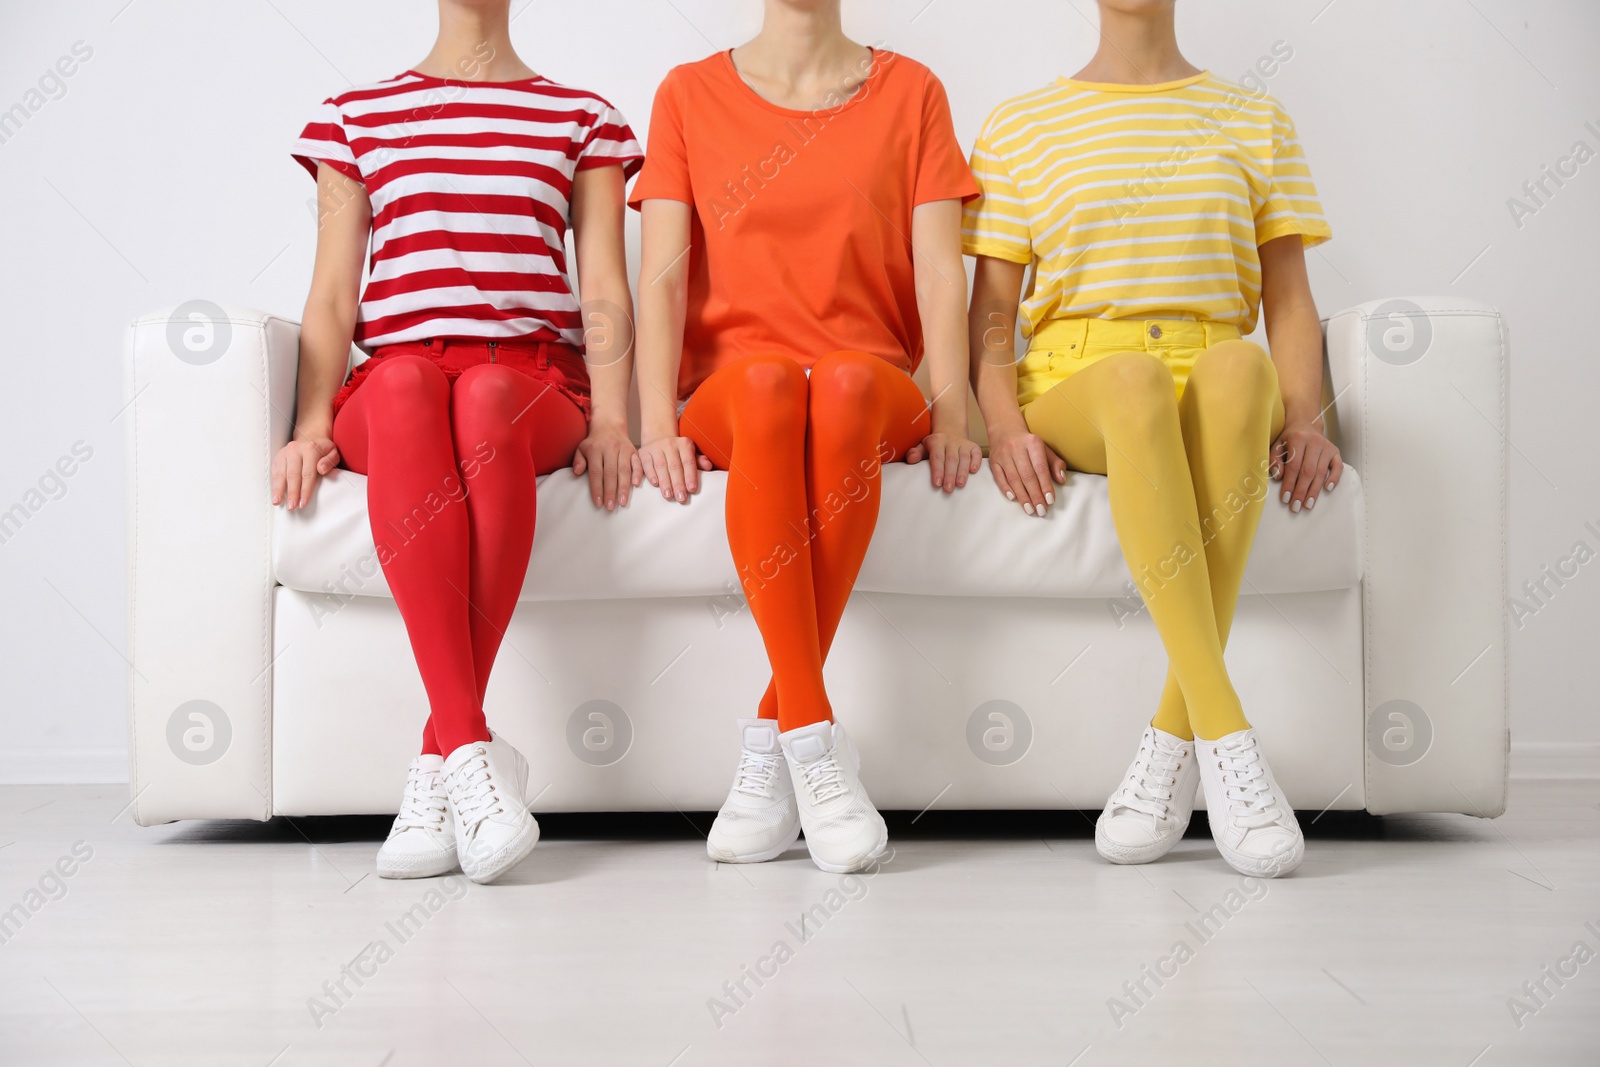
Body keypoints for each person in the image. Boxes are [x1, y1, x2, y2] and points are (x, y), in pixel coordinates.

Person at [964, 0, 1338, 877]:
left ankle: (1170, 746)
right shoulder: (1020, 125)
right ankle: (1231, 738)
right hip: (1080, 383)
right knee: (1132, 378)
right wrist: (1004, 422)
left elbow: (1286, 301)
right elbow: (990, 317)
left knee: (1245, 369)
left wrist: (1310, 417)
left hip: (1215, 372)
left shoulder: (1257, 119)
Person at [277, 0, 643, 883]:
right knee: (406, 380)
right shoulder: (352, 118)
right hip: (395, 380)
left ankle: (440, 765)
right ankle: (473, 751)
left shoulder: (584, 117)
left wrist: (614, 417)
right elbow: (332, 295)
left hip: (531, 380)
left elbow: (603, 283)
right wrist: (310, 422)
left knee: (483, 395)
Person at [631, 0, 983, 873]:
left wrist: (953, 408)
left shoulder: (914, 92)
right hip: (734, 392)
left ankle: (776, 737)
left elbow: (943, 275)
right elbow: (663, 280)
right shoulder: (686, 95)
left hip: (873, 387)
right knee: (768, 382)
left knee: (848, 378)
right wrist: (648, 420)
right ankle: (815, 742)